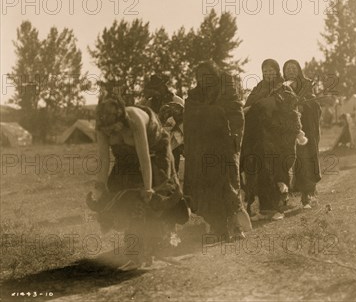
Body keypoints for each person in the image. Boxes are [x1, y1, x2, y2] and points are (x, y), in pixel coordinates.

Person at [87, 94, 189, 267]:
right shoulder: (101, 126)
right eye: (108, 131)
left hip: (155, 152)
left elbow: (144, 159)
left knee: (156, 199)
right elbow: (103, 160)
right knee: (124, 199)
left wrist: (149, 189)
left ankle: (157, 246)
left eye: (115, 129)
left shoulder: (134, 119)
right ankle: (136, 253)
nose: (111, 133)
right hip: (126, 159)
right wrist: (100, 188)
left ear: (122, 119)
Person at [183, 61, 251, 241]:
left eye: (206, 75)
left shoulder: (227, 92)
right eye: (198, 77)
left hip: (225, 147)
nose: (202, 80)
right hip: (204, 150)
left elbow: (237, 115)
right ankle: (218, 227)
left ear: (215, 76)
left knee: (229, 186)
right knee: (208, 188)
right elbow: (189, 121)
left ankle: (236, 226)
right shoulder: (194, 96)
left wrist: (233, 138)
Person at [242, 59, 305, 221]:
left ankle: (279, 209)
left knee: (279, 171)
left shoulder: (284, 89)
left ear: (277, 71)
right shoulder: (259, 88)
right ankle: (265, 210)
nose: (268, 73)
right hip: (260, 139)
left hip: (278, 138)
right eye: (265, 70)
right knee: (262, 172)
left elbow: (291, 110)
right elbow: (248, 108)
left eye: (271, 70)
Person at [283, 59, 322, 209]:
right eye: (288, 69)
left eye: (294, 68)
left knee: (305, 160)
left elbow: (314, 104)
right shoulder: (281, 86)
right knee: (289, 162)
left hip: (306, 130)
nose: (291, 71)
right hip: (287, 129)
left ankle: (307, 195)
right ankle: (284, 196)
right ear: (284, 71)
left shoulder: (306, 84)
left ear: (299, 70)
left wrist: (303, 104)